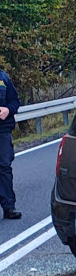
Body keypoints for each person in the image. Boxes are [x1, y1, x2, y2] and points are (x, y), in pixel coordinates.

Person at [0, 67, 21, 218]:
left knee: (4, 167)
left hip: (3, 131)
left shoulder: (3, 78)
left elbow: (15, 101)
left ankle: (9, 208)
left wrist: (8, 110)